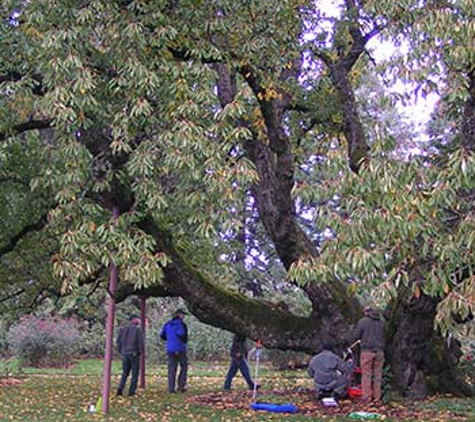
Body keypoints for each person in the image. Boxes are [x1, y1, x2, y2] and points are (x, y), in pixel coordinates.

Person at [352, 305, 385, 403]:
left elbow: (356, 335)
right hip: (379, 351)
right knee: (378, 375)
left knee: (366, 375)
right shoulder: (382, 322)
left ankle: (367, 398)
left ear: (367, 312)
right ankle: (377, 398)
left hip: (367, 351)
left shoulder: (363, 322)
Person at [160, 308, 189, 393]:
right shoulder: (181, 324)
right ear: (179, 315)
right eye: (183, 315)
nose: (183, 316)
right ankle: (181, 386)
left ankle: (171, 388)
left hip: (170, 349)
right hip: (180, 348)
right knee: (184, 367)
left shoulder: (167, 324)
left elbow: (162, 335)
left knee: (172, 369)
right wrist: (184, 340)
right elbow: (182, 334)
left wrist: (170, 340)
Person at [116, 314, 144, 397]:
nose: (138, 321)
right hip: (134, 353)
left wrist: (121, 351)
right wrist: (140, 352)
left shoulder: (122, 329)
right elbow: (140, 343)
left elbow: (118, 342)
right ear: (133, 320)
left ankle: (120, 388)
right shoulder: (137, 330)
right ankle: (132, 391)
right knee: (135, 373)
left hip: (125, 353)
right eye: (137, 319)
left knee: (125, 372)